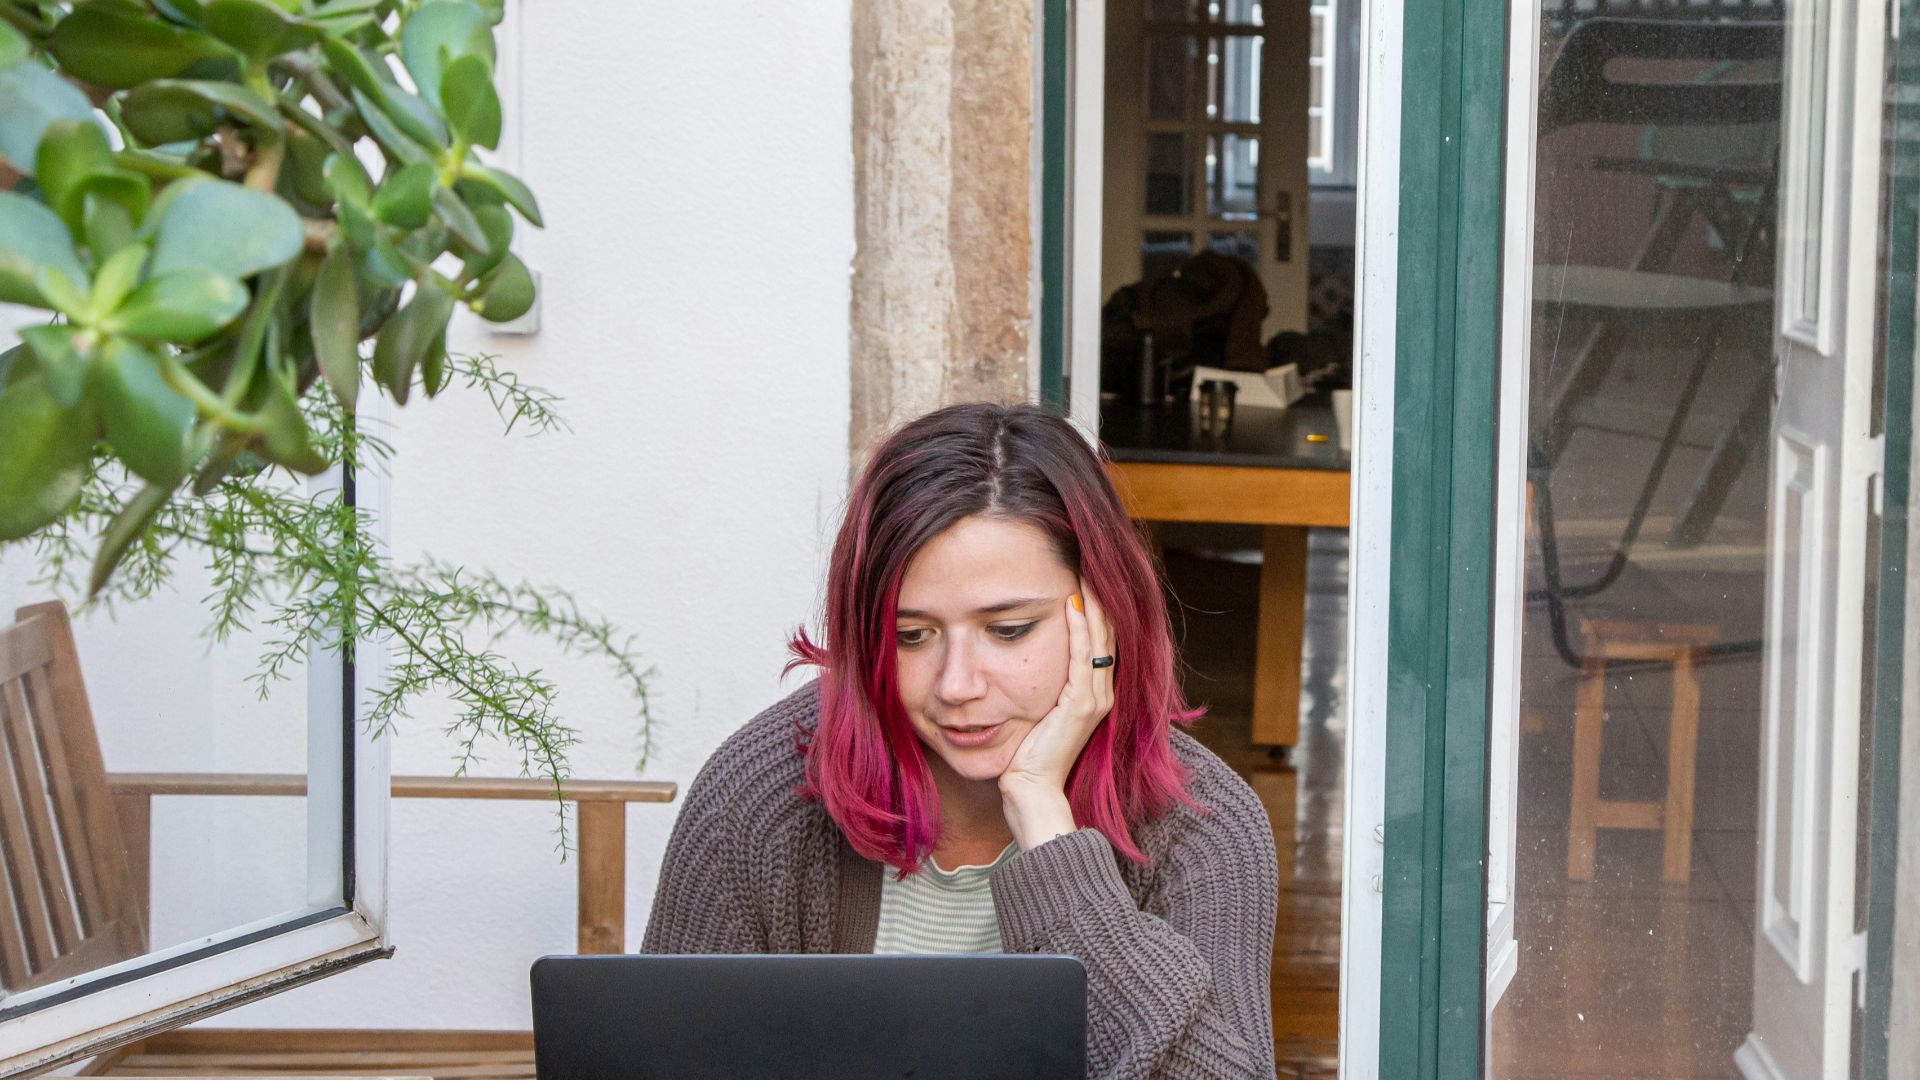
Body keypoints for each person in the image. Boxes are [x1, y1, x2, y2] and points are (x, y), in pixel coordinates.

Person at [641, 402, 1279, 1079]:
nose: (957, 686)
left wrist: (1049, 832)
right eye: (911, 635)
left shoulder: (1199, 827)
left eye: (1008, 631)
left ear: (1105, 614)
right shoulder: (763, 795)